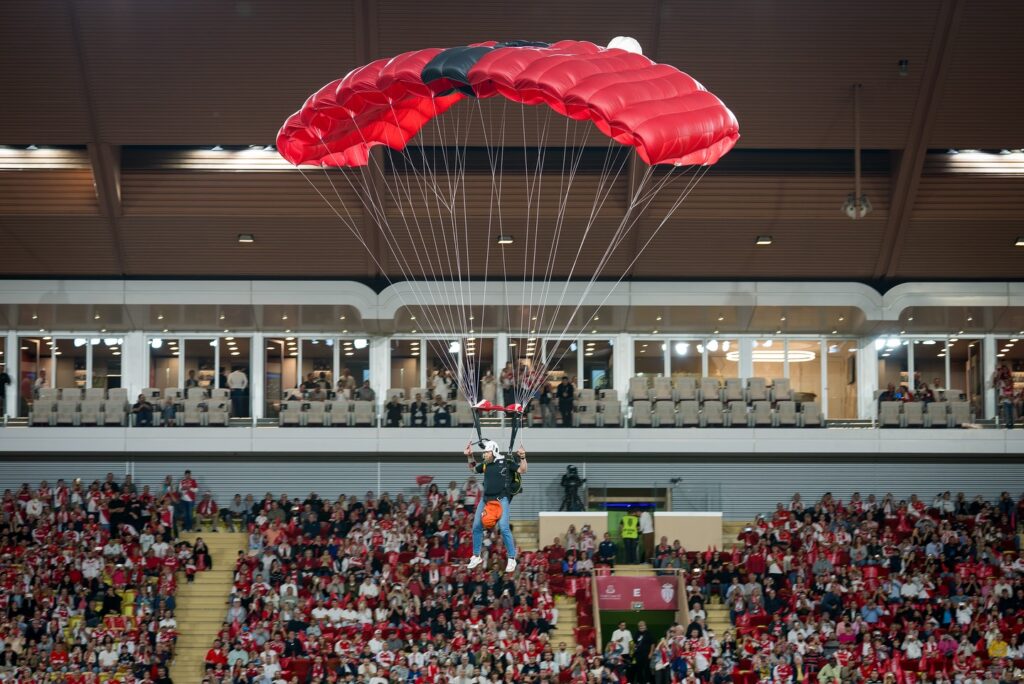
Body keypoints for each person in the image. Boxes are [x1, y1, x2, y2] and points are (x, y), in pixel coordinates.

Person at [465, 440, 527, 573]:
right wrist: (469, 456)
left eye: (487, 452)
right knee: (476, 526)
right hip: (486, 499)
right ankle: (476, 556)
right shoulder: (486, 465)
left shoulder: (506, 462)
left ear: (494, 451)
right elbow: (473, 469)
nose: (485, 455)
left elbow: (523, 470)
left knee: (504, 528)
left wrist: (522, 457)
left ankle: (511, 558)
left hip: (501, 499)